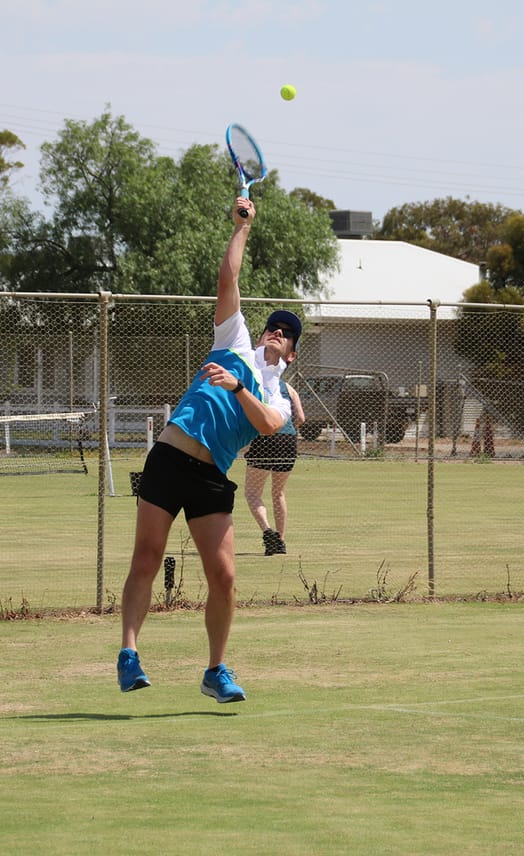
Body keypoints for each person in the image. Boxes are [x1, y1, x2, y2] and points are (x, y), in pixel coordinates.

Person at [116, 196, 301, 704]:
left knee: (224, 578)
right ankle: (129, 654)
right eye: (274, 325)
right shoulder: (234, 339)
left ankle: (215, 671)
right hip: (169, 458)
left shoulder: (278, 395)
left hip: (211, 478)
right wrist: (242, 228)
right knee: (146, 558)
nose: (278, 331)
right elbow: (228, 280)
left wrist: (237, 387)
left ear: (291, 353)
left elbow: (266, 425)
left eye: (287, 333)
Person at [244, 379, 305, 556]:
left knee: (253, 492)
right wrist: (287, 429)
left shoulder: (254, 383)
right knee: (278, 492)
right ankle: (281, 541)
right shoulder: (288, 388)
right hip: (288, 439)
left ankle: (267, 531)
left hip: (264, 438)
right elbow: (301, 418)